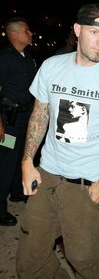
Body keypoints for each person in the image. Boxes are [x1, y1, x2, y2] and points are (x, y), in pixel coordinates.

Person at [15, 3, 99, 279]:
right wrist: (27, 161)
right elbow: (40, 114)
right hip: (47, 176)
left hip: (85, 186)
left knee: (82, 259)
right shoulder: (52, 66)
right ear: (77, 30)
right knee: (31, 257)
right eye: (95, 32)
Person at [0, 17, 37, 226]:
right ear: (14, 34)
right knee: (5, 163)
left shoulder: (27, 58)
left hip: (24, 118)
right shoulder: (4, 59)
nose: (30, 33)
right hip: (8, 121)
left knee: (20, 157)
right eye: (26, 30)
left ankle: (16, 192)